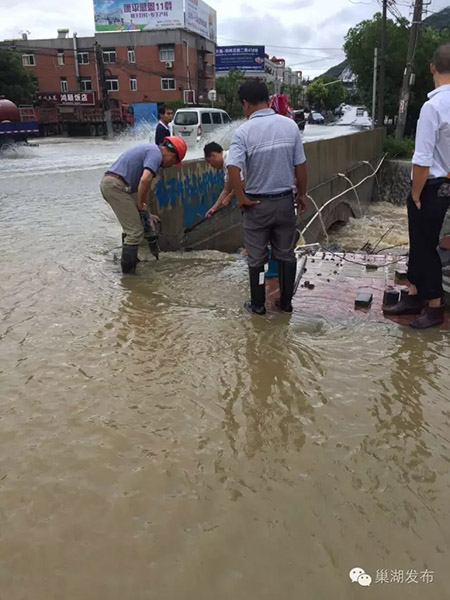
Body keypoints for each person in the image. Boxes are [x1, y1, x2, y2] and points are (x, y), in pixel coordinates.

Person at [227, 80, 308, 315]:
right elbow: (300, 166)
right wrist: (301, 194)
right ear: (268, 100)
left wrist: (241, 198)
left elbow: (233, 168)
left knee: (257, 259)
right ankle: (285, 303)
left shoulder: (243, 132)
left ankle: (259, 304)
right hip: (284, 202)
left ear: (245, 103)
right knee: (286, 254)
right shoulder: (289, 126)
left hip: (256, 205)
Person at [384, 43, 450, 329]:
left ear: (432, 68)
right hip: (446, 183)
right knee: (423, 242)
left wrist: (415, 193)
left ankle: (433, 307)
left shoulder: (432, 106)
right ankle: (413, 294)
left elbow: (422, 158)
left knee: (425, 246)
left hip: (430, 185)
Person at [100, 137, 187, 274]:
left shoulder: (152, 152)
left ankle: (132, 262)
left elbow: (144, 187)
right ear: (171, 154)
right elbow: (145, 179)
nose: (171, 165)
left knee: (134, 226)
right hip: (116, 187)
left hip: (120, 185)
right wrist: (140, 204)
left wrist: (147, 213)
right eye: (174, 162)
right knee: (135, 232)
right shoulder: (155, 154)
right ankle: (129, 277)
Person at [203, 142, 244, 218]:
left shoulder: (230, 160)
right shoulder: (227, 162)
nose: (210, 165)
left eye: (209, 161)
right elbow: (226, 190)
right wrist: (214, 208)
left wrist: (229, 198)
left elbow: (242, 182)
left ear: (213, 155)